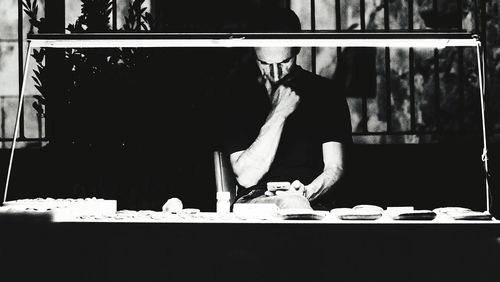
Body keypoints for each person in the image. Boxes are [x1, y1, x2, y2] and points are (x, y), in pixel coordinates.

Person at [221, 7, 351, 210]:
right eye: (264, 63)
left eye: (284, 62)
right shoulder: (238, 96)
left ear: (297, 48)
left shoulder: (326, 93)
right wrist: (279, 111)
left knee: (296, 204)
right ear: (254, 51)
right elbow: (246, 177)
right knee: (291, 204)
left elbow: (335, 167)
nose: (275, 73)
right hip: (255, 201)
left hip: (313, 199)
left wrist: (308, 192)